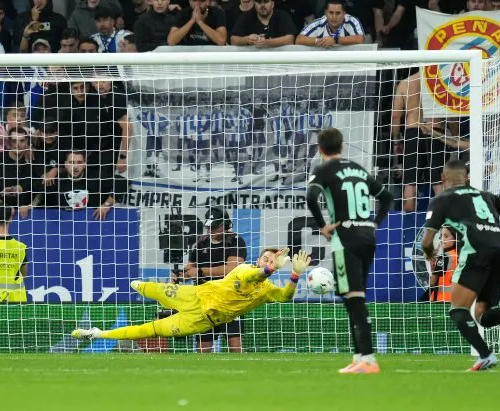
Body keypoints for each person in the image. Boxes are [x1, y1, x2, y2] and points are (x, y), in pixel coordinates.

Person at [420, 158, 500, 371]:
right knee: (482, 316)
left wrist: (430, 254)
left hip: (478, 249)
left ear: (442, 178)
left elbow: (426, 241)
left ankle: (486, 356)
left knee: (458, 309)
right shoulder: (483, 195)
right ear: (466, 178)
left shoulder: (441, 199)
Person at [72, 248, 310, 341]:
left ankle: (97, 333)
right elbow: (254, 276)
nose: (268, 262)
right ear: (258, 260)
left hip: (200, 320)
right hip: (193, 295)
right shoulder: (244, 269)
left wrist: (295, 275)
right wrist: (272, 268)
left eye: (271, 260)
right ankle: (133, 284)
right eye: (265, 259)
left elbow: (285, 297)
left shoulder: (267, 290)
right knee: (151, 288)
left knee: (152, 330)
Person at [306, 127, 394, 374]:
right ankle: (359, 357)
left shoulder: (323, 169)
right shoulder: (358, 168)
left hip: (345, 238)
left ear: (320, 149)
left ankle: (368, 359)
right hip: (367, 237)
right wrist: (374, 223)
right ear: (342, 146)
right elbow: (387, 197)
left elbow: (311, 196)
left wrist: (323, 226)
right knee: (352, 298)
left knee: (354, 299)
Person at [184, 207, 248, 353]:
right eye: (208, 226)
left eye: (214, 226)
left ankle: (243, 374)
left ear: (224, 225)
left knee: (235, 344)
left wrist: (200, 271)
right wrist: (180, 274)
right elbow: (190, 268)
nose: (210, 229)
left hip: (230, 300)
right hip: (206, 301)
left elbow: (232, 269)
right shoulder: (200, 243)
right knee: (203, 347)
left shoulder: (236, 240)